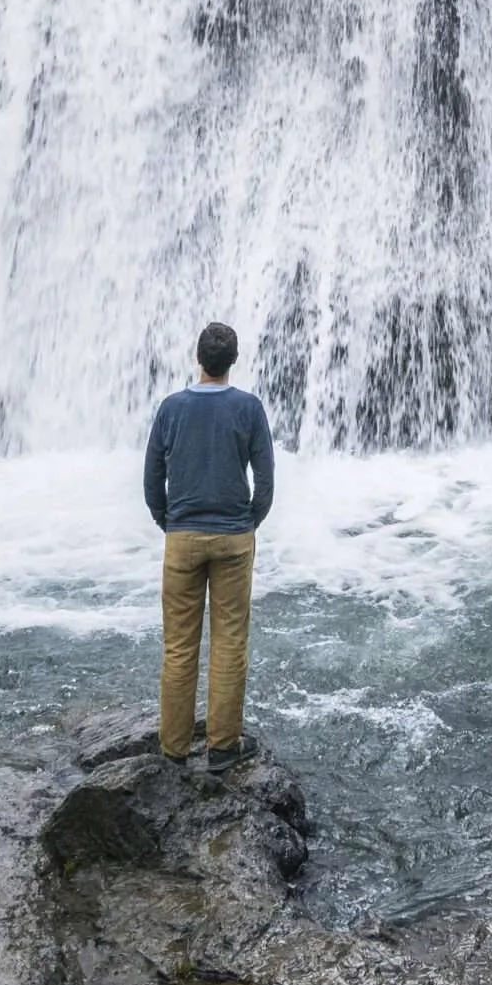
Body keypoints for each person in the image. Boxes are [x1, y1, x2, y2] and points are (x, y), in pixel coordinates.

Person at [143, 320, 276, 771]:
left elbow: (151, 478)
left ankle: (174, 750)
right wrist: (248, 520)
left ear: (198, 359)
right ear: (232, 362)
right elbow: (266, 479)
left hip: (182, 537)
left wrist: (168, 520)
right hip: (234, 538)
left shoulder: (170, 408)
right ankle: (222, 748)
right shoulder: (249, 408)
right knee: (229, 642)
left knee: (179, 647)